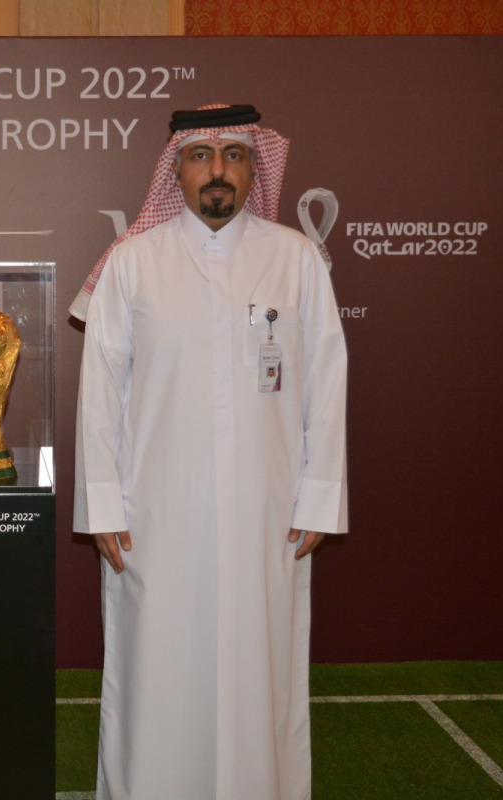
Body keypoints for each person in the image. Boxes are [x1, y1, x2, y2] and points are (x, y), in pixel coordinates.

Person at [71, 104, 348, 799]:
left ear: (256, 166)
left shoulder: (296, 258)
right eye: (200, 156)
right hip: (154, 518)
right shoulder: (132, 264)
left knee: (263, 672)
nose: (217, 170)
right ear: (176, 170)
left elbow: (326, 381)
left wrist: (319, 495)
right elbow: (100, 393)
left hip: (269, 514)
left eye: (233, 154)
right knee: (156, 673)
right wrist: (102, 503)